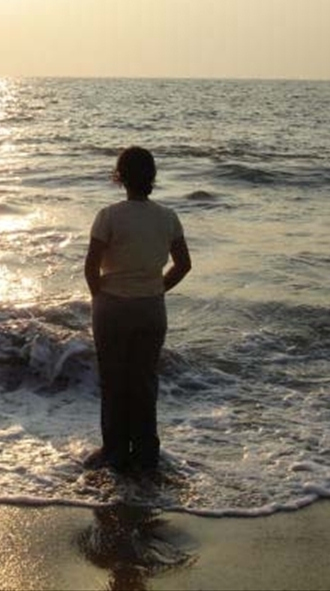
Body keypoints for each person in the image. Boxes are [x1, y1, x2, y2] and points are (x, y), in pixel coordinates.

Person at [84, 146, 192, 475]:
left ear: (119, 177)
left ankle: (114, 451)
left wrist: (99, 296)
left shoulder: (109, 215)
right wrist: (157, 288)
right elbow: (184, 265)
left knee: (113, 382)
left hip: (112, 307)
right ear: (152, 178)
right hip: (150, 308)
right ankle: (146, 452)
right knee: (144, 381)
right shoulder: (167, 217)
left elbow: (91, 267)